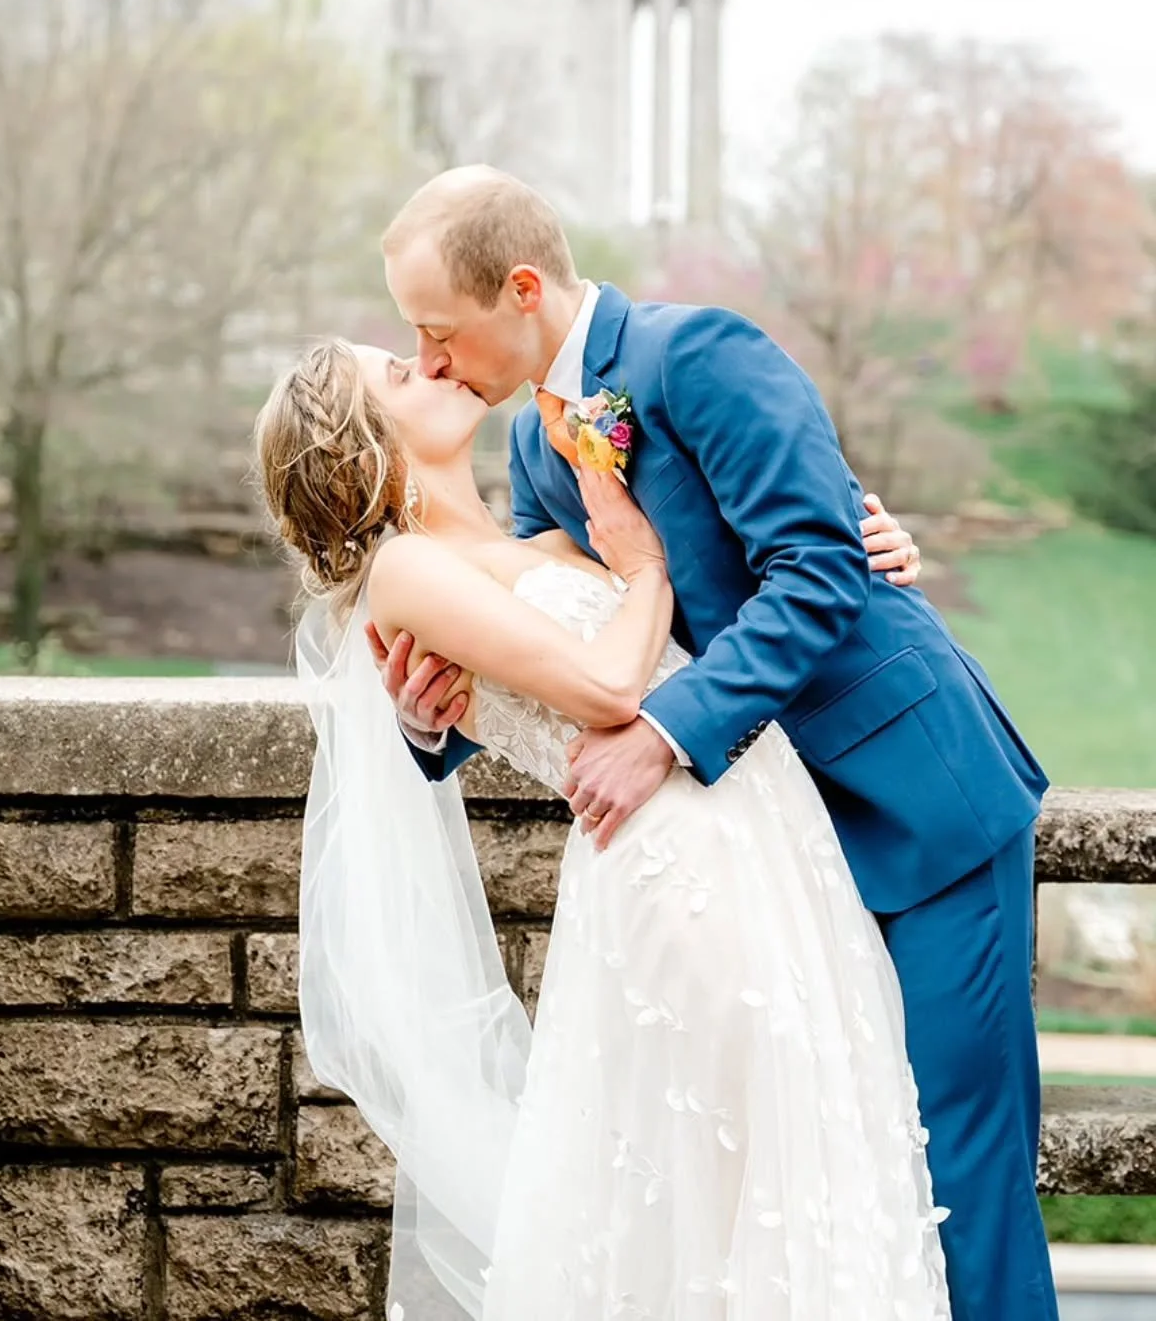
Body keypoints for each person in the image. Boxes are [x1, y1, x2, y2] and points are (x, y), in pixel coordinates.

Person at [369, 166, 1055, 1321]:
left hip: (914, 800)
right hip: (769, 864)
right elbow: (568, 651)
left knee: (955, 1165)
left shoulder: (701, 355)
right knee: (844, 1168)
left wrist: (667, 739)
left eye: (438, 331)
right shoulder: (541, 454)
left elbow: (824, 567)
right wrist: (433, 719)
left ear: (523, 287)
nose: (430, 360)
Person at [259, 336, 952, 1320]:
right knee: (728, 1168)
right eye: (400, 375)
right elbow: (610, 685)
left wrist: (871, 541)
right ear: (365, 443)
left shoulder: (537, 548)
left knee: (801, 1166)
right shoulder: (408, 568)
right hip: (674, 869)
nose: (432, 365)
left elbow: (726, 605)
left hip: (767, 845)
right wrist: (641, 566)